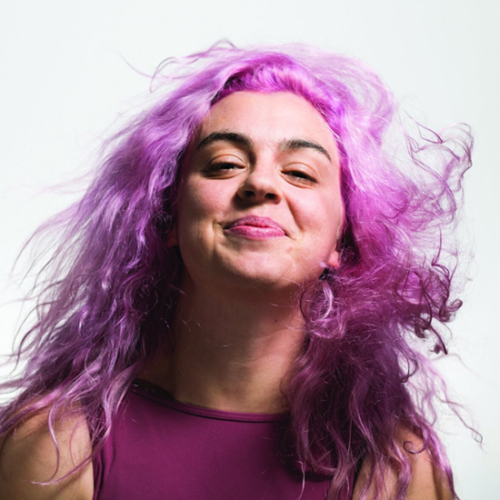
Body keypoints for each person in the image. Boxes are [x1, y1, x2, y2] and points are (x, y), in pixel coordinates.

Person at [0, 43, 471, 500]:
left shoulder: (395, 469)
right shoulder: (59, 446)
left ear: (343, 242)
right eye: (225, 164)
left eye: (301, 173)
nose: (261, 183)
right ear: (168, 217)